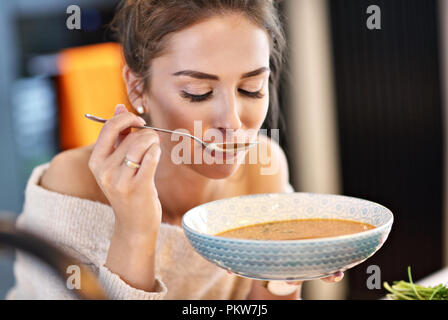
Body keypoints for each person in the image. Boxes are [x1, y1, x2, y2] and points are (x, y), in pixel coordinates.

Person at [7, 0, 343, 300]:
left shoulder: (264, 167)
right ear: (138, 88)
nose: (232, 122)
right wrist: (135, 229)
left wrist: (287, 271)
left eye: (250, 89)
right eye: (197, 93)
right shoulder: (73, 184)